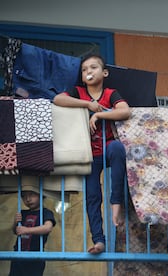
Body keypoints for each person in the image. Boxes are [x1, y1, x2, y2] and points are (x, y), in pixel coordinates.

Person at [53, 54, 131, 254]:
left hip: (107, 149)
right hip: (88, 153)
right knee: (93, 196)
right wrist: (87, 105)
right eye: (85, 69)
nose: (89, 72)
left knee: (117, 148)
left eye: (93, 68)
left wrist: (98, 114)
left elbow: (124, 111)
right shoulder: (78, 92)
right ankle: (98, 240)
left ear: (104, 73)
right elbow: (58, 99)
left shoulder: (110, 93)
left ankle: (116, 203)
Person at [9, 188, 56, 276]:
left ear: (41, 194)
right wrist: (15, 223)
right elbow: (16, 231)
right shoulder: (23, 213)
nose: (28, 199)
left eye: (32, 194)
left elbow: (48, 228)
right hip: (18, 255)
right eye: (24, 196)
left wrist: (27, 230)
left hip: (35, 256)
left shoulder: (46, 212)